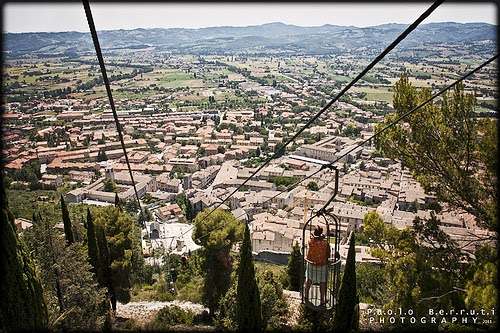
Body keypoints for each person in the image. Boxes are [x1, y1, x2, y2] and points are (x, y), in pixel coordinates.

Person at [305, 225, 330, 306]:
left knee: (309, 279)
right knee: (322, 281)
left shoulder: (310, 242)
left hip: (311, 264)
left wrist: (313, 236)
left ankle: (306, 295)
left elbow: (312, 241)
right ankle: (322, 300)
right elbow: (328, 254)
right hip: (322, 265)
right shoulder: (325, 244)